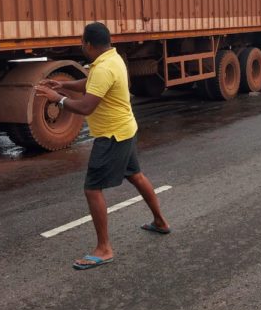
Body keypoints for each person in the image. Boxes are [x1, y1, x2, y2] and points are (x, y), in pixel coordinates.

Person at [35, 22, 170, 270]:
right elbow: (89, 84)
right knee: (136, 176)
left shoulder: (103, 68)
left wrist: (59, 100)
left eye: (82, 43)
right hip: (125, 129)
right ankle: (160, 222)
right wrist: (63, 85)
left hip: (112, 135)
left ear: (88, 44)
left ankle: (104, 248)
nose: (81, 46)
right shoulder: (112, 59)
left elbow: (86, 106)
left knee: (92, 189)